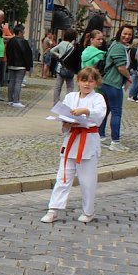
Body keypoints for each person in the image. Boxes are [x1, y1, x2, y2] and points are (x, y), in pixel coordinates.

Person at [41, 67, 107, 224]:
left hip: (88, 140)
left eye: (91, 81)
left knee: (87, 180)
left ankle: (88, 211)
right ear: (78, 81)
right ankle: (53, 209)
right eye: (84, 80)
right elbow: (65, 113)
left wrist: (86, 111)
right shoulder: (70, 96)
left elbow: (99, 114)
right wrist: (65, 122)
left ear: (96, 83)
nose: (87, 84)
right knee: (63, 176)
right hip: (71, 139)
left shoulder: (98, 98)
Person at [98, 25, 133, 151]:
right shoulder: (118, 47)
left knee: (106, 110)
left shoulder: (115, 44)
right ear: (120, 33)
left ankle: (100, 136)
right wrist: (129, 77)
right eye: (125, 33)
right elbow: (121, 67)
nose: (127, 36)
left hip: (107, 82)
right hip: (114, 83)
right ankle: (115, 142)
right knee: (116, 112)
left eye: (129, 34)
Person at [4, 24, 32, 108]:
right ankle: (16, 100)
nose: (23, 32)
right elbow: (27, 54)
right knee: (18, 82)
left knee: (11, 82)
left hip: (11, 64)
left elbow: (7, 52)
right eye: (23, 31)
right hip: (21, 65)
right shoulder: (24, 42)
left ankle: (10, 100)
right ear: (20, 32)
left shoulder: (10, 41)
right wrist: (28, 66)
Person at [49, 29, 78, 104]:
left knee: (58, 86)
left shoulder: (61, 43)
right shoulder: (72, 46)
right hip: (69, 68)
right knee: (70, 87)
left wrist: (58, 55)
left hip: (60, 68)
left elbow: (52, 50)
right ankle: (68, 102)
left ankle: (56, 102)